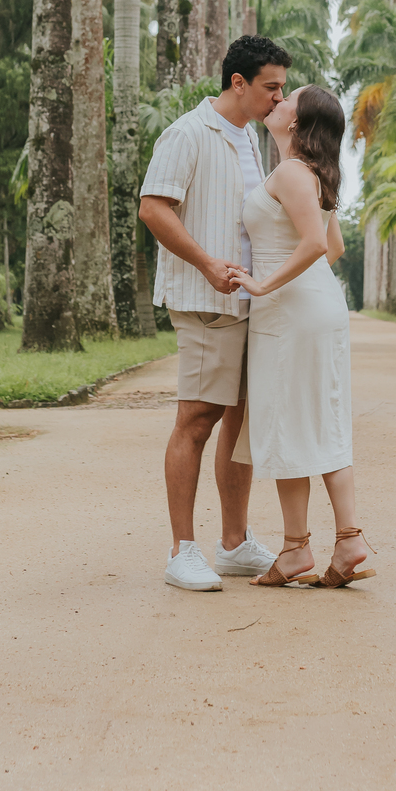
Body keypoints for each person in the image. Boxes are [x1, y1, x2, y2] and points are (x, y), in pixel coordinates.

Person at [138, 33, 292, 592]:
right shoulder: (187, 133)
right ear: (238, 83)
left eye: (282, 88)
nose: (280, 97)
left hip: (253, 304)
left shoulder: (250, 138)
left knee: (242, 422)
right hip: (206, 302)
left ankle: (233, 543)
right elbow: (153, 208)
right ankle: (182, 550)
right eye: (271, 87)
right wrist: (205, 264)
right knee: (197, 419)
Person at [231, 85, 375, 591]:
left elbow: (316, 243)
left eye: (287, 97)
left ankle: (314, 545)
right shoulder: (313, 175)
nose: (278, 100)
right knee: (314, 418)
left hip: (289, 311)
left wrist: (264, 281)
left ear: (295, 123)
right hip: (311, 305)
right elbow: (331, 246)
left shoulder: (293, 172)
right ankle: (318, 544)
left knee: (293, 419)